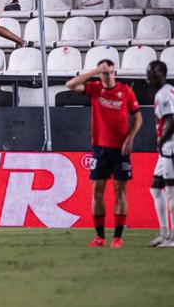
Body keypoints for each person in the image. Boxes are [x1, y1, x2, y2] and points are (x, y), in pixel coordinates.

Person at [65, 59, 143, 247]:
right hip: (100, 148)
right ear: (100, 74)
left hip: (120, 149)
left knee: (119, 191)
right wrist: (94, 70)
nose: (107, 76)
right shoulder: (95, 89)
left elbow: (138, 117)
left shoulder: (125, 91)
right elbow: (70, 85)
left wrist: (130, 138)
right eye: (104, 73)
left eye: (110, 72)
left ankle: (117, 237)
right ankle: (99, 237)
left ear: (115, 73)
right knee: (97, 191)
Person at [148, 60, 174, 247]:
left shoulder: (164, 94)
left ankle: (172, 238)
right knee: (156, 188)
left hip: (170, 148)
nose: (148, 77)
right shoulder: (168, 91)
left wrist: (161, 140)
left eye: (150, 73)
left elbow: (172, 120)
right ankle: (165, 234)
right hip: (165, 149)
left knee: (171, 193)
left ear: (160, 73)